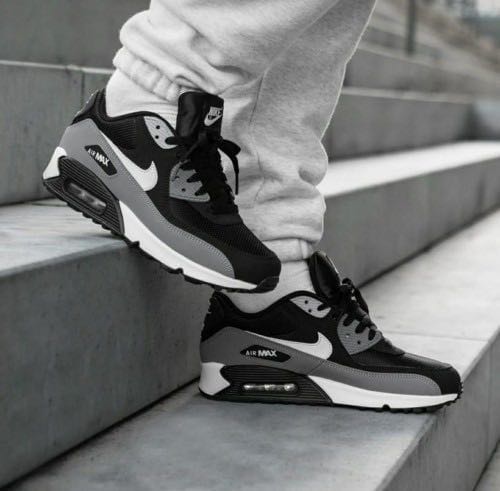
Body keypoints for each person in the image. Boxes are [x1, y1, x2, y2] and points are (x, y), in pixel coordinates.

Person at [43, 0, 462, 411]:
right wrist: (163, 78)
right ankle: (144, 105)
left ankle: (272, 302)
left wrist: (277, 234)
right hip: (159, 93)